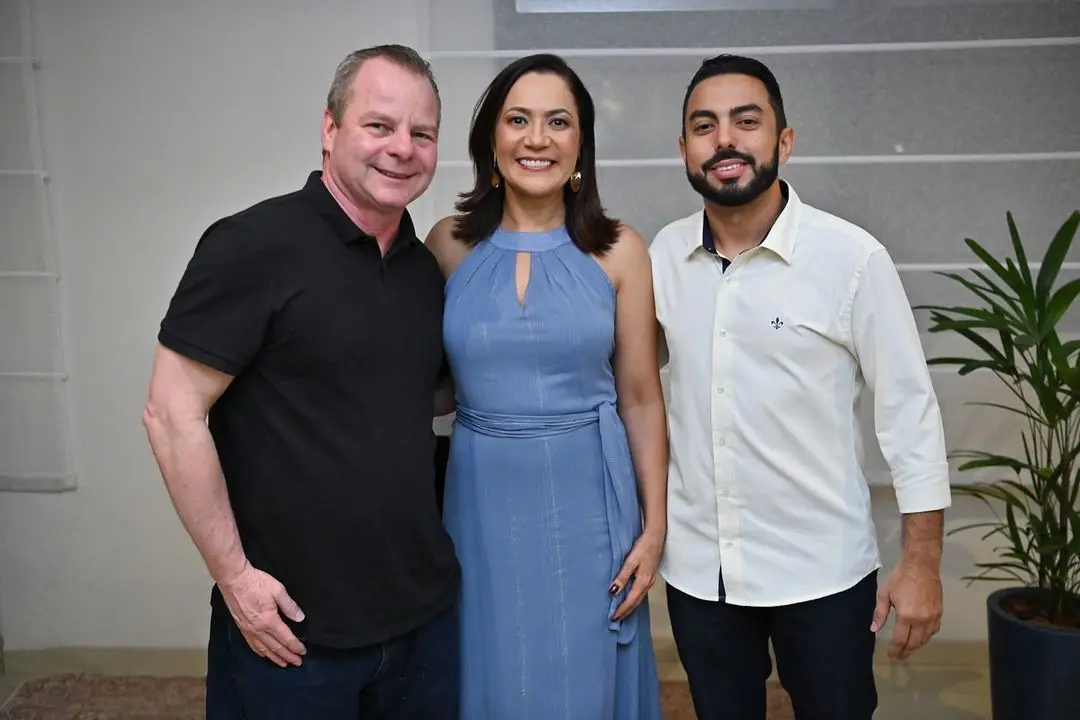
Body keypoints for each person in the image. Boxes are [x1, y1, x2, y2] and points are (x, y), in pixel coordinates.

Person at [142, 45, 460, 720]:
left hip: (422, 621)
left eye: (422, 133)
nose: (402, 148)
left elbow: (415, 401)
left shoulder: (423, 271)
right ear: (329, 128)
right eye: (379, 125)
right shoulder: (251, 246)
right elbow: (171, 413)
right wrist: (236, 579)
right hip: (289, 631)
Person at [649, 54, 952, 720]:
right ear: (684, 149)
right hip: (701, 572)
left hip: (823, 573)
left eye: (746, 121)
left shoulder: (851, 258)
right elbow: (631, 392)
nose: (725, 140)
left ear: (783, 141)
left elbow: (909, 413)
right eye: (704, 126)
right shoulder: (662, 258)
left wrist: (922, 564)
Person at [424, 53, 667, 718]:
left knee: (580, 678)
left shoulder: (620, 250)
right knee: (489, 670)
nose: (538, 138)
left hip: (589, 501)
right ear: (491, 140)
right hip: (477, 499)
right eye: (519, 120)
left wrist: (654, 529)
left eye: (558, 121)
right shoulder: (446, 245)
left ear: (581, 143)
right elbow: (430, 383)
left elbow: (640, 398)